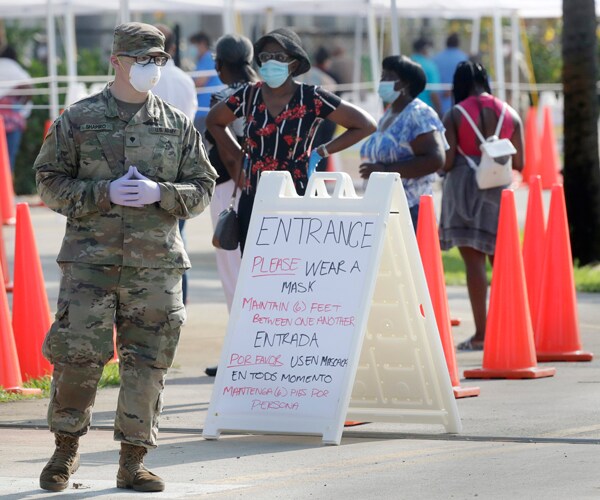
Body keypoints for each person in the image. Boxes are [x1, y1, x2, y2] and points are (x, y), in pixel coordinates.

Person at [34, 22, 217, 492]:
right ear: (116, 61)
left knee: (148, 363)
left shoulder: (175, 124)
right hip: (90, 265)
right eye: (141, 60)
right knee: (77, 358)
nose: (150, 69)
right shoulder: (78, 119)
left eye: (157, 60)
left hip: (155, 266)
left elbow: (203, 188)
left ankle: (132, 460)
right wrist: (102, 192)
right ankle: (65, 450)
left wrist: (163, 193)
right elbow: (49, 181)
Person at [206, 27, 376, 254]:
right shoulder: (249, 95)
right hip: (255, 196)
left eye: (279, 57)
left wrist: (322, 151)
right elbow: (214, 121)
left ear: (294, 64)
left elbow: (365, 125)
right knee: (257, 270)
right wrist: (238, 153)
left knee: (292, 271)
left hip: (298, 196)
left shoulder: (312, 97)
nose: (271, 62)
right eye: (265, 57)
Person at [438, 61, 524, 351]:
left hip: (464, 187)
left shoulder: (455, 114)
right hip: (499, 188)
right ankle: (510, 329)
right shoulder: (509, 112)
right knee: (501, 261)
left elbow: (447, 162)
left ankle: (482, 334)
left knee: (473, 263)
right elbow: (521, 162)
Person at [203, 33, 258, 378]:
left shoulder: (224, 97)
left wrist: (241, 182)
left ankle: (242, 353)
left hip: (233, 189)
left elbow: (226, 149)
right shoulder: (268, 92)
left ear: (220, 65)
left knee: (234, 274)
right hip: (271, 189)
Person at [358, 55, 447, 229]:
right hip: (385, 206)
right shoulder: (388, 114)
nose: (382, 81)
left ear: (405, 83)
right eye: (382, 75)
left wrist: (385, 171)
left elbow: (435, 159)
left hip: (410, 208)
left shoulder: (418, 114)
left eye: (389, 76)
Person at [153, 23, 199, 306]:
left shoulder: (137, 81)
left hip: (145, 167)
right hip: (179, 166)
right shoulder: (184, 79)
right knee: (176, 239)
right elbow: (190, 123)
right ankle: (178, 301)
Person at [0, 45, 33, 171]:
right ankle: (6, 186)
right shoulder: (17, 69)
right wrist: (20, 106)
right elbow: (29, 89)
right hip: (13, 119)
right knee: (9, 156)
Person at [188, 32, 223, 135]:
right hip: (204, 110)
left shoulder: (208, 58)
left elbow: (199, 82)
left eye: (194, 45)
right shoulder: (203, 60)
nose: (192, 49)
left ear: (202, 44)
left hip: (206, 111)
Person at [433, 33, 469, 115]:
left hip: (440, 104)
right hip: (460, 105)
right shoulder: (465, 59)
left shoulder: (435, 59)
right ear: (458, 43)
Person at [410, 37, 442, 116]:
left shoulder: (406, 63)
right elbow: (433, 93)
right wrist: (439, 111)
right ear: (425, 48)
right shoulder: (429, 66)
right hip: (425, 112)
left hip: (406, 110)